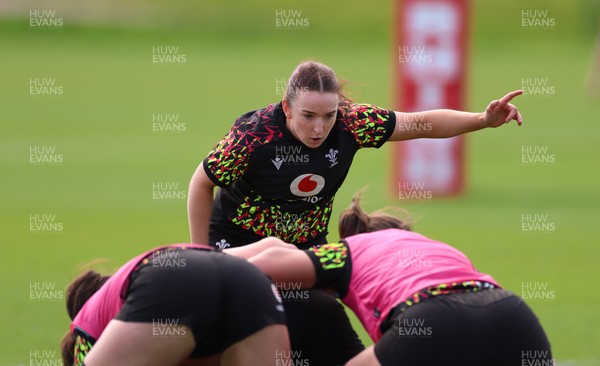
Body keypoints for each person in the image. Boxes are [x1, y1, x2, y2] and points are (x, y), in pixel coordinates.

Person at [187, 60, 524, 364]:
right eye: (308, 116)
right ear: (288, 109)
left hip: (306, 246)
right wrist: (202, 257)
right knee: (243, 323)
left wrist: (482, 120)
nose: (319, 128)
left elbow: (421, 123)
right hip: (237, 242)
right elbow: (201, 183)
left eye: (328, 116)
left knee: (322, 323)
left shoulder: (353, 122)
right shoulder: (254, 135)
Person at [240, 194, 553, 366]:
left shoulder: (350, 250)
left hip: (434, 318)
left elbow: (269, 263)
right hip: (513, 315)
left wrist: (211, 269)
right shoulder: (436, 248)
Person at [60, 241, 290, 366]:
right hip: (252, 283)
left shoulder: (85, 325)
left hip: (171, 283)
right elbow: (277, 248)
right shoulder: (190, 260)